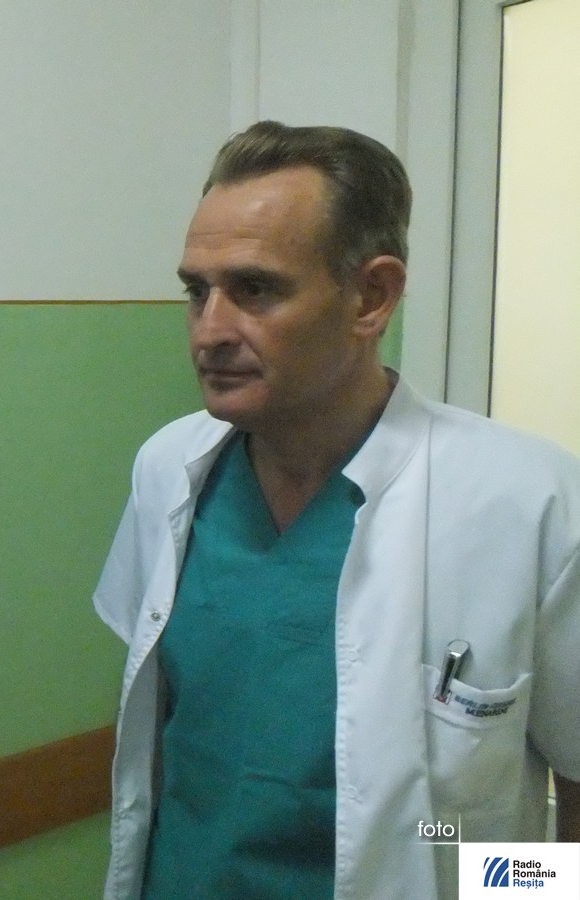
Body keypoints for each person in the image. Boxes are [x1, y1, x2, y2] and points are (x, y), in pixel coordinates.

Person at [94, 120, 580, 900]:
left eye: (255, 290)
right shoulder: (168, 471)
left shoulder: (530, 502)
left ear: (371, 298)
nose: (209, 331)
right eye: (197, 291)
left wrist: (527, 888)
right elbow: (162, 728)